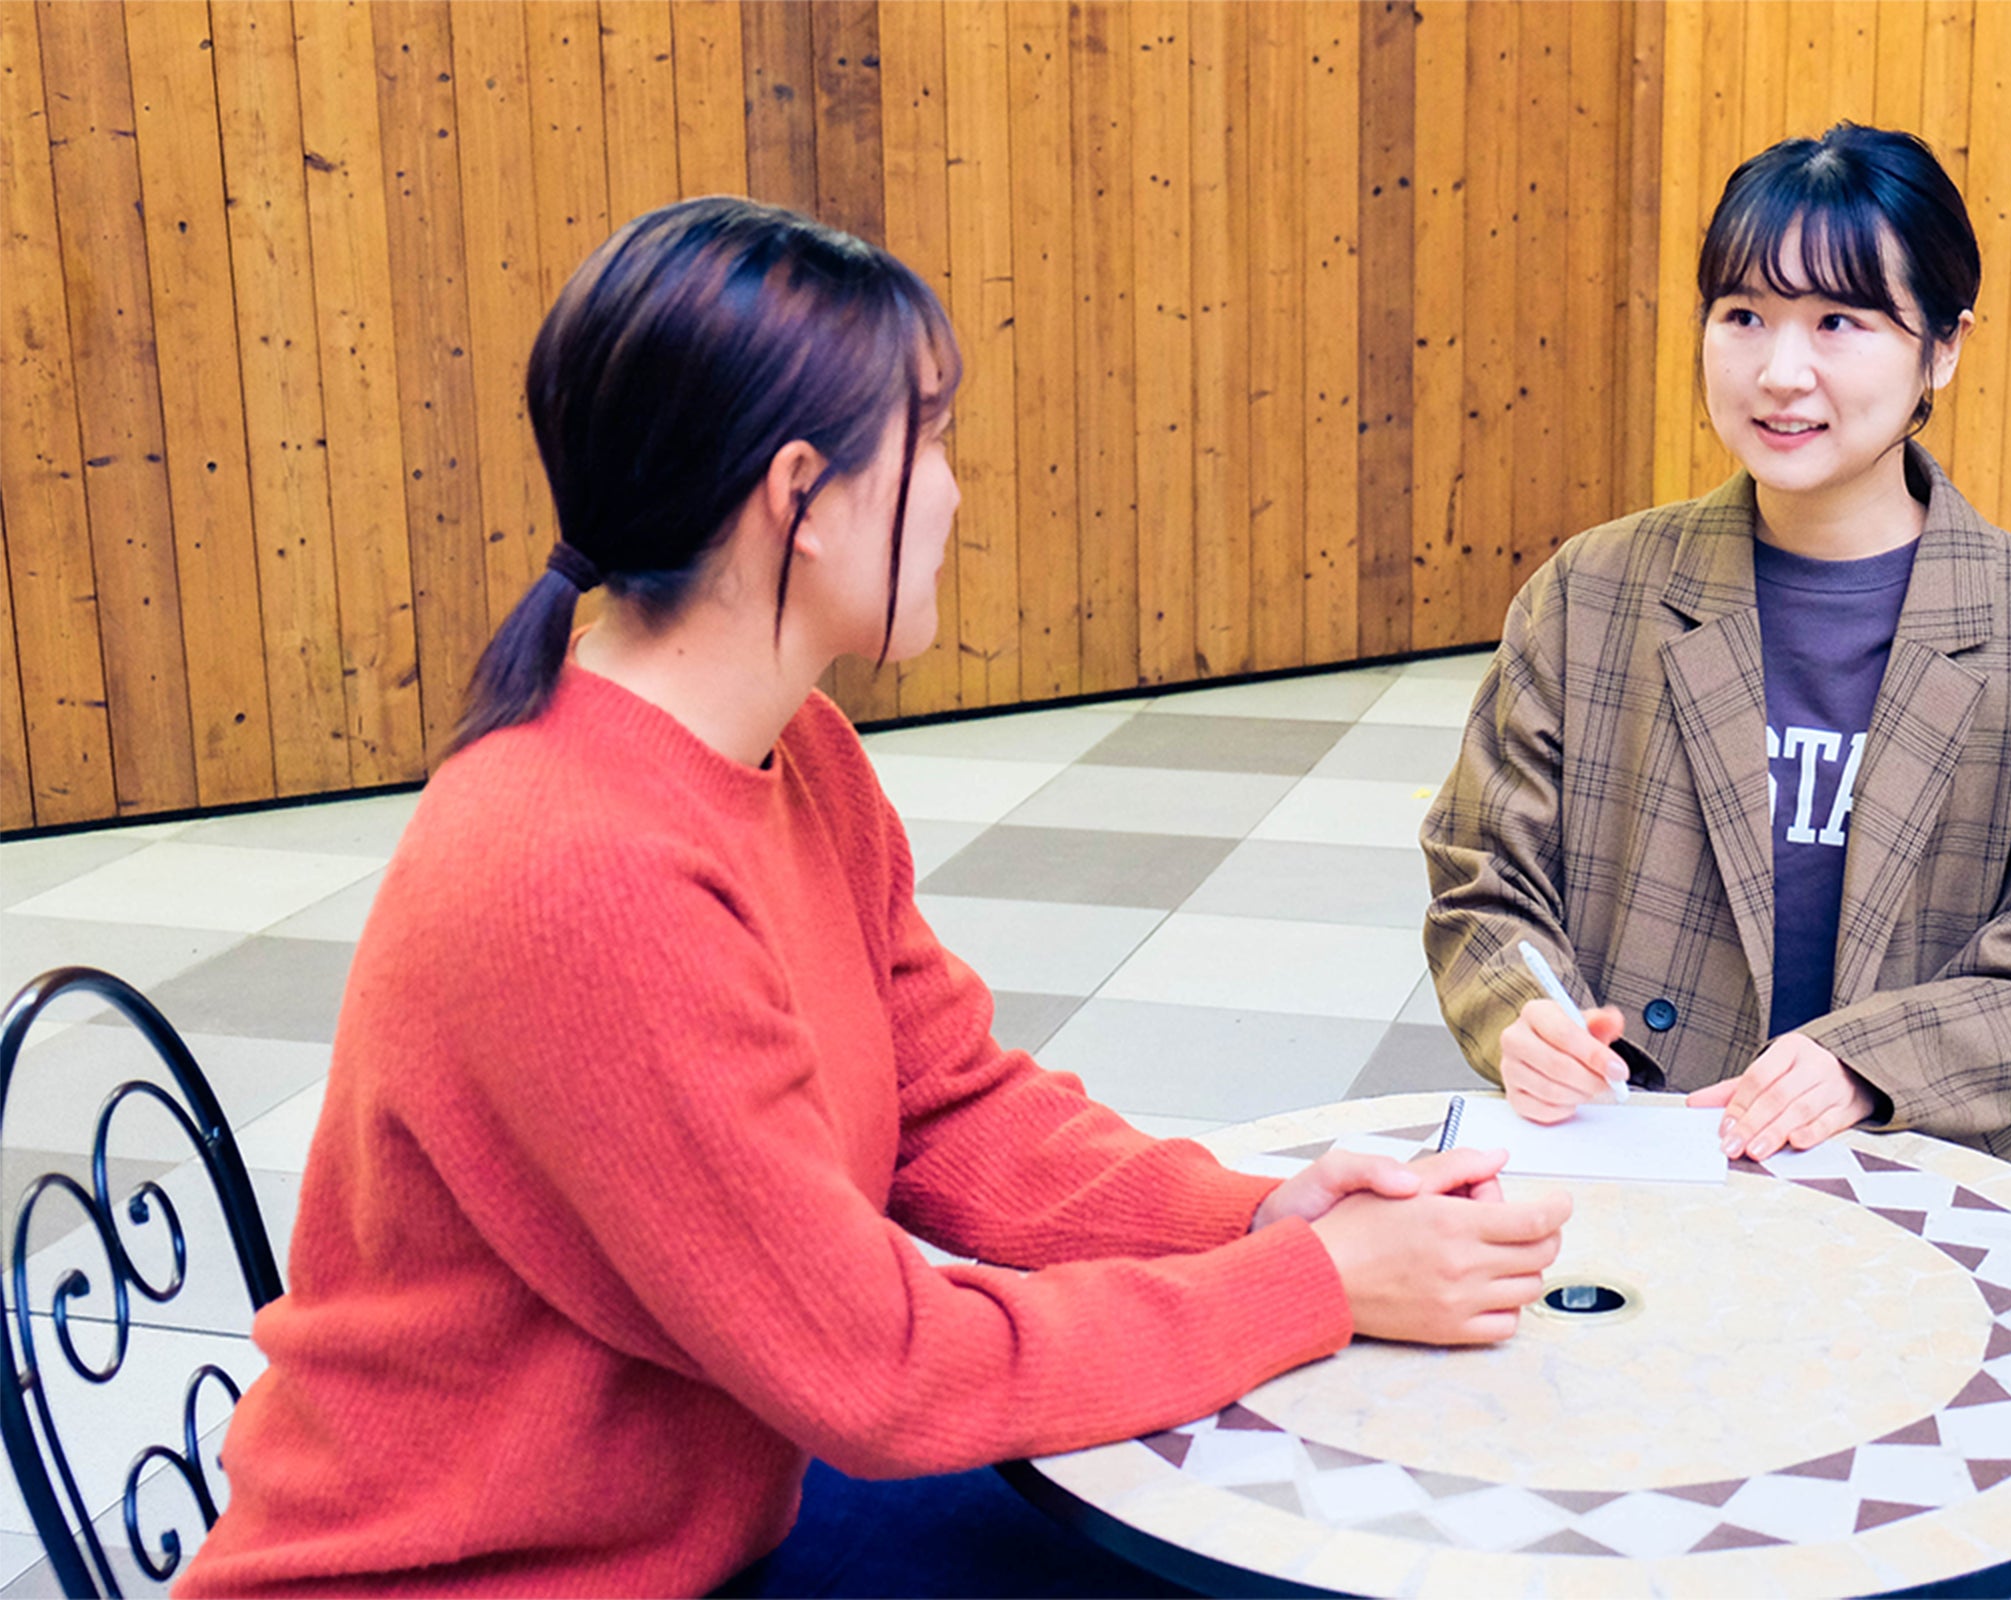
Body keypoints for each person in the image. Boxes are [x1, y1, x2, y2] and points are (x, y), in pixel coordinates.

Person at [179, 197, 1571, 1599]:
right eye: (933, 441)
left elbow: (946, 1100)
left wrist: (1254, 1219)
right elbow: (884, 1372)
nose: (955, 494)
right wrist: (1319, 1285)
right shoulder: (579, 869)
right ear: (800, 495)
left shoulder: (797, 750)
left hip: (708, 1514)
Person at [1421, 124, 2011, 1200]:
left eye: (1839, 322)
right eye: (1743, 316)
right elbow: (1482, 872)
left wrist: (1871, 1063)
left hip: (1928, 1164)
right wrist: (1522, 1016)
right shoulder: (1592, 592)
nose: (1780, 373)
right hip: (1636, 1147)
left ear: (1944, 347)